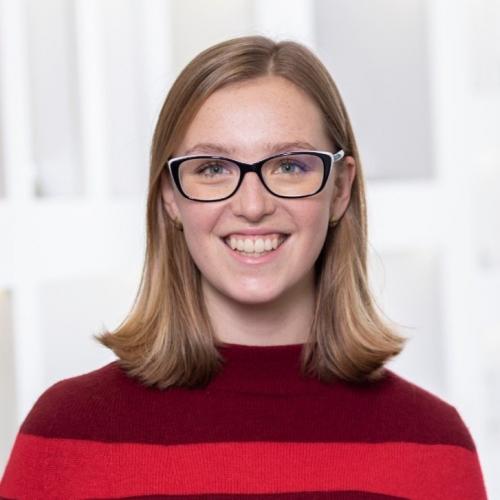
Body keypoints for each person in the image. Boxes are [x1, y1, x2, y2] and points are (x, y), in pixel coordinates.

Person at [0, 35, 487, 499]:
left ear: (340, 189)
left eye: (290, 166)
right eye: (213, 169)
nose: (252, 206)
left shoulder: (433, 446)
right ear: (170, 197)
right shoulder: (67, 435)